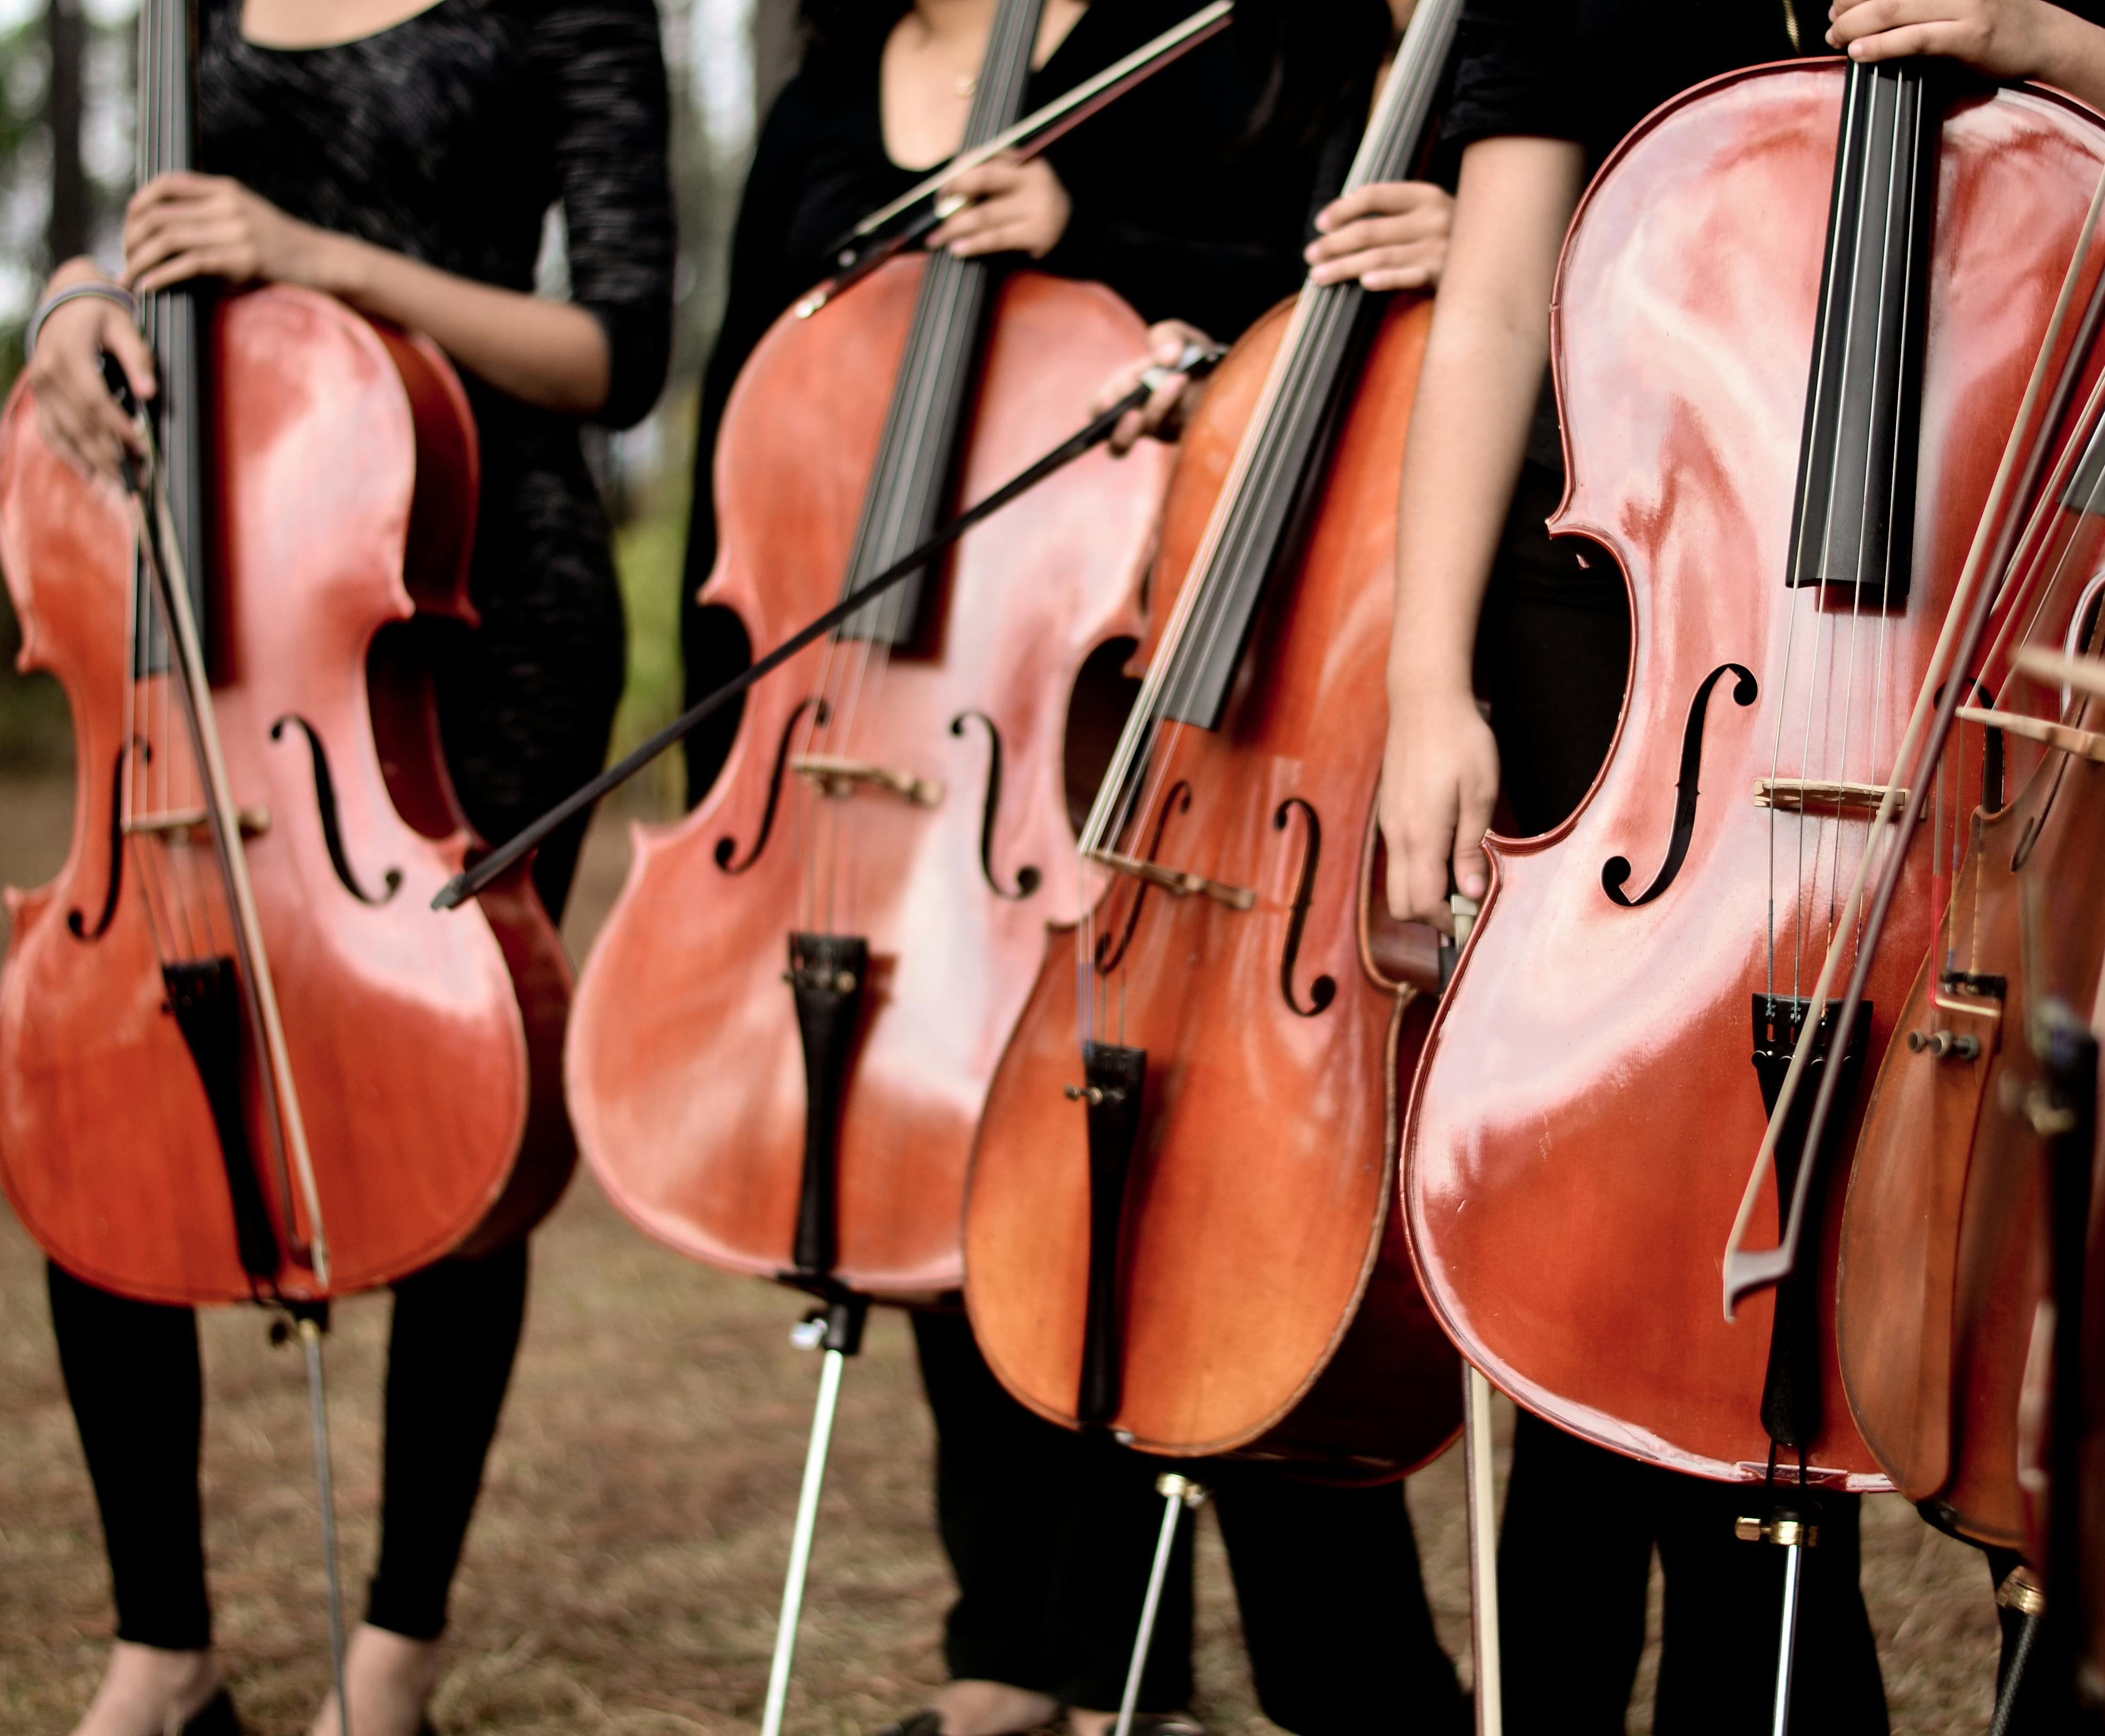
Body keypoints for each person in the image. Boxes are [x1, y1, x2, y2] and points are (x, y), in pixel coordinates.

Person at [1371, 1, 2105, 1731]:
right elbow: (1494, 313)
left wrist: (2047, 38)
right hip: (1691, 693)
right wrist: (1420, 687)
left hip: (1991, 746)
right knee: (1642, 1263)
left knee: (2030, 1318)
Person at [676, 5, 1462, 1735]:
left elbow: (1301, 302)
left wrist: (1084, 241)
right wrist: (718, 762)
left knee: (1175, 1212)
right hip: (873, 719)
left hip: (1107, 697)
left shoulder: (1215, 49)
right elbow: (751, 398)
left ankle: (1318, 1685)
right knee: (996, 1198)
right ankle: (1057, 1662)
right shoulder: (827, 93)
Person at [22, 0, 673, 1729]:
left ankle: (395, 1653)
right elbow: (148, 225)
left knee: (452, 1088)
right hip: (226, 562)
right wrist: (79, 298)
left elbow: (620, 350)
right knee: (108, 1074)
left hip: (470, 582)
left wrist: (322, 254)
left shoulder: (572, 13)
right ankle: (162, 1649)